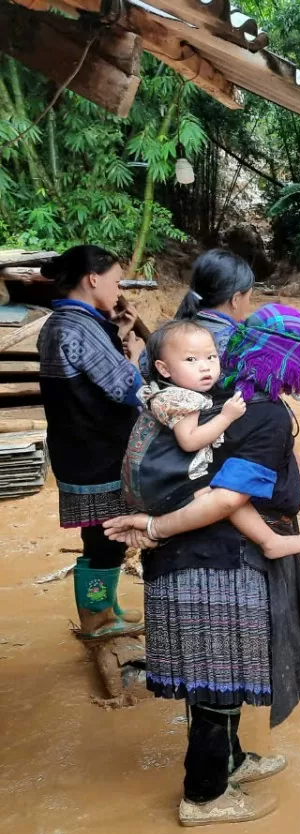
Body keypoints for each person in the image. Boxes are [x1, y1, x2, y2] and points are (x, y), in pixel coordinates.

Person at [104, 305, 300, 827]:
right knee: (215, 681)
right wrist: (153, 529)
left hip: (194, 555)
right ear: (286, 360)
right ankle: (204, 795)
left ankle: (231, 759)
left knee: (219, 676)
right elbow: (226, 499)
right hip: (214, 563)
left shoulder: (215, 387)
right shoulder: (261, 412)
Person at [147, 249, 300, 504]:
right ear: (235, 299)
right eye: (248, 296)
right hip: (223, 477)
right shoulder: (238, 348)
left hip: (166, 470)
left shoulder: (168, 337)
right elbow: (262, 417)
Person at [125, 319, 300, 559]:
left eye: (211, 358)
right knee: (226, 493)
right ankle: (269, 541)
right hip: (177, 495)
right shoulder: (185, 400)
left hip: (157, 485)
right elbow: (190, 442)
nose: (205, 368)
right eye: (191, 360)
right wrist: (226, 417)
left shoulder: (200, 390)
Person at [37, 246, 145, 639]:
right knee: (106, 540)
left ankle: (105, 607)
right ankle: (98, 617)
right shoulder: (78, 326)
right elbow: (127, 388)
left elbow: (87, 373)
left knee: (100, 537)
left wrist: (117, 333)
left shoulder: (63, 323)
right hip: (97, 452)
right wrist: (136, 354)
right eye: (115, 281)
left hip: (80, 450)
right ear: (92, 279)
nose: (118, 290)